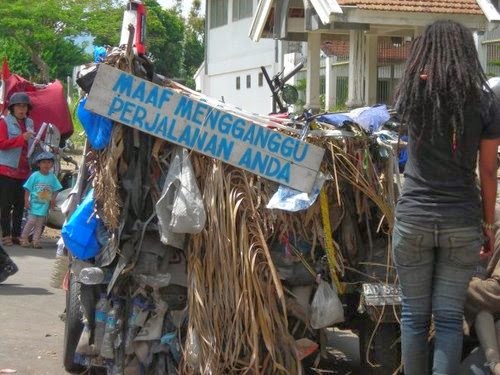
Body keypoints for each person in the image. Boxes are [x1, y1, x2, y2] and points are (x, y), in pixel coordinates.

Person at [392, 20, 500, 375]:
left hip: (414, 220)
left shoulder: (412, 94)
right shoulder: (486, 102)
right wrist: (488, 224)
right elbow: (487, 171)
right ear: (467, 52)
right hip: (462, 221)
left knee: (413, 315)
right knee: (450, 318)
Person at [0, 92, 34, 282]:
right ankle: (5, 234)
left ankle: (15, 235)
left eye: (25, 106)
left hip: (23, 169)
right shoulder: (4, 122)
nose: (22, 109)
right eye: (18, 106)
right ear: (12, 108)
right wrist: (21, 138)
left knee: (21, 204)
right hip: (6, 169)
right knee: (5, 204)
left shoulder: (30, 123)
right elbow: (2, 144)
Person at [20, 151, 62, 249]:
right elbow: (27, 189)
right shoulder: (35, 175)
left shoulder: (52, 177)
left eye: (49, 162)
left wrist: (53, 200)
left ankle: (36, 241)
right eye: (43, 162)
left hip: (44, 205)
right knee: (30, 221)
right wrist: (26, 201)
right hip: (33, 204)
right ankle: (24, 238)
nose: (46, 165)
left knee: (39, 224)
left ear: (52, 164)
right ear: (38, 164)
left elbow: (56, 189)